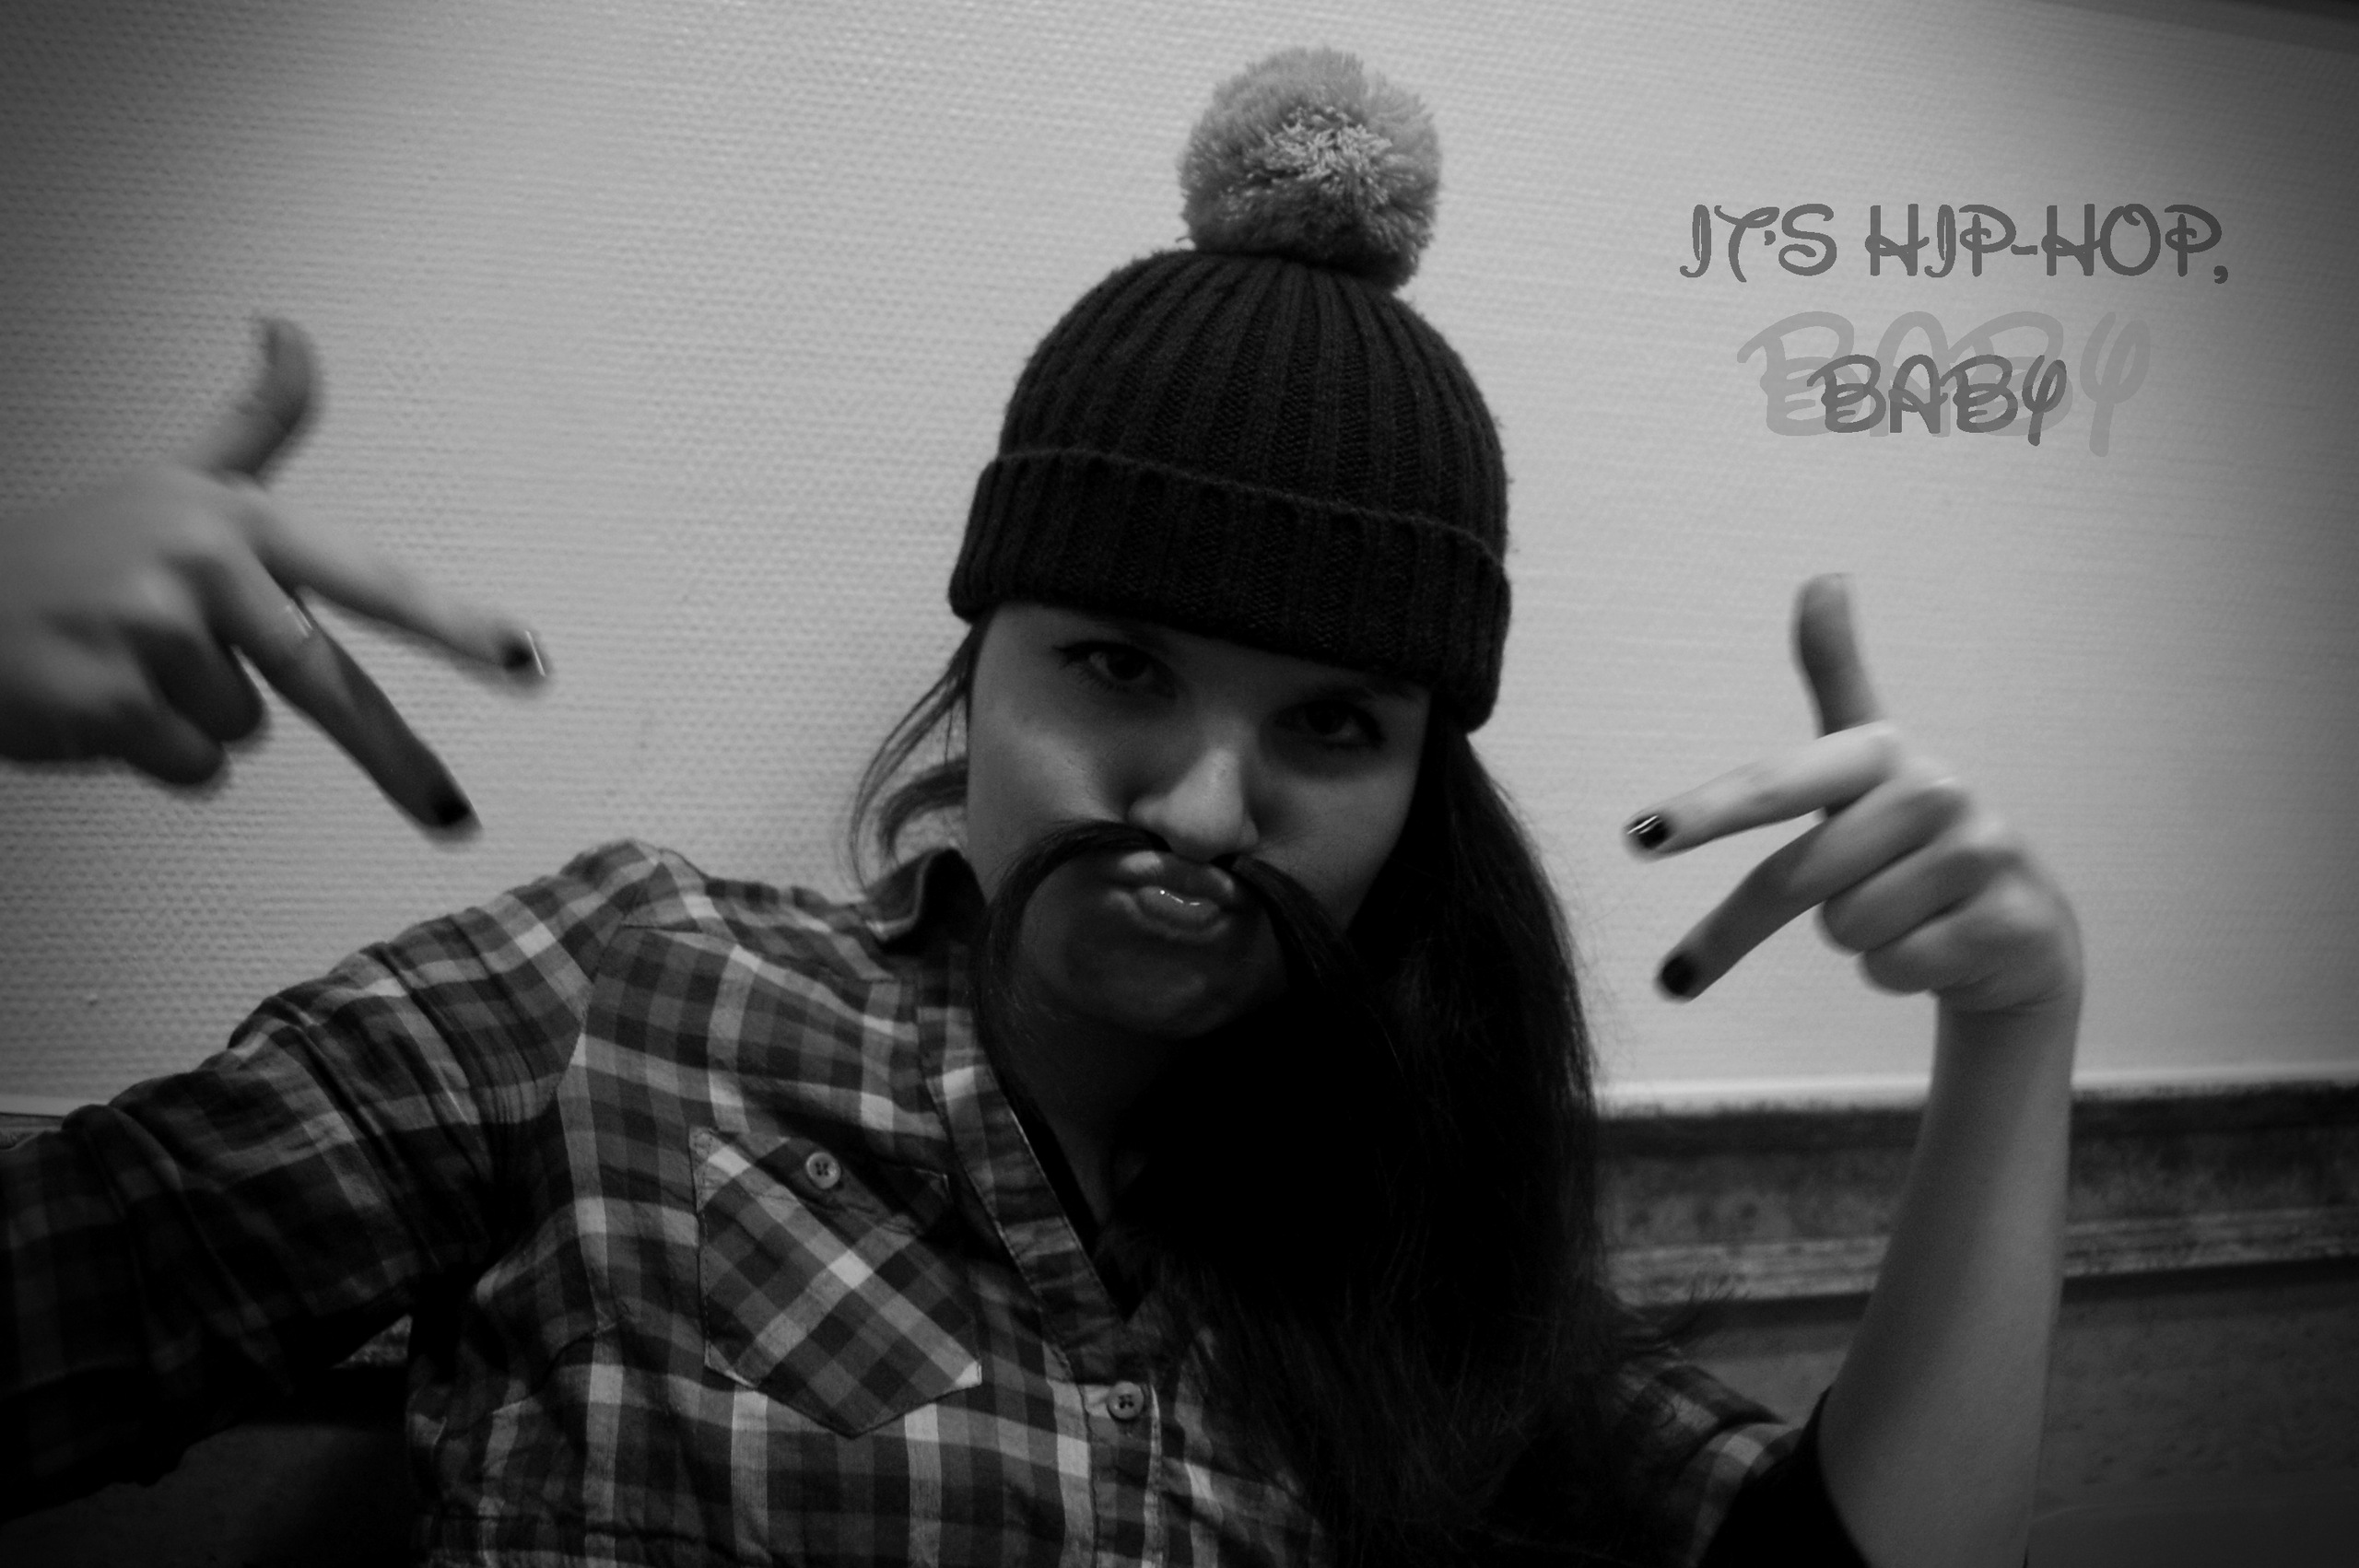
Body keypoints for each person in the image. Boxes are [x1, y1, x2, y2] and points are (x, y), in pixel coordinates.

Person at [0, 50, 2080, 1568]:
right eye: (1119, 668)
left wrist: (2012, 1028)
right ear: (981, 660)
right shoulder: (615, 1002)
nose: (1202, 808)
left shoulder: (1408, 1210)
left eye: (1329, 723)